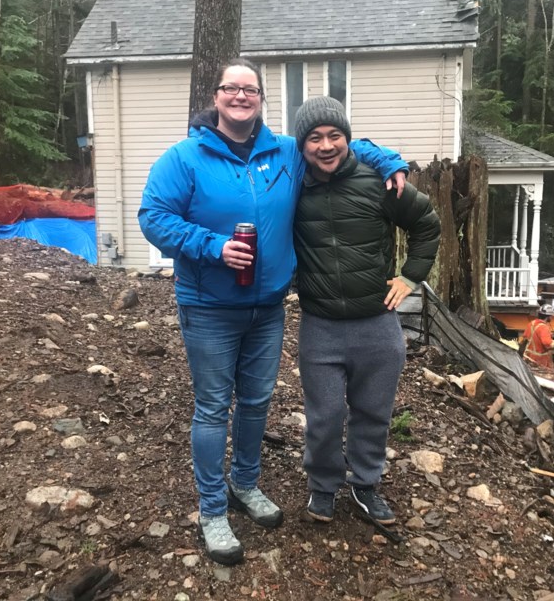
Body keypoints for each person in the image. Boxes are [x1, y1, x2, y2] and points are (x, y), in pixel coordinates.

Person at [137, 58, 409, 566]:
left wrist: (391, 160)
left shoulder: (284, 151)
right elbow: (152, 218)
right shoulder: (185, 157)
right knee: (214, 406)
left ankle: (245, 483)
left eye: (250, 90)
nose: (240, 96)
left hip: (267, 308)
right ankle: (213, 508)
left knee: (257, 402)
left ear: (261, 99)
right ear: (216, 97)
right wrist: (211, 246)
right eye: (230, 88)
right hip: (210, 306)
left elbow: (345, 145)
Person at [291, 96, 441, 527]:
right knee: (324, 416)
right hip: (320, 325)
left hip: (377, 324)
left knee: (374, 412)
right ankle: (322, 487)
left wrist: (410, 277)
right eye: (315, 138)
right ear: (302, 145)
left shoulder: (381, 182)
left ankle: (365, 485)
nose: (325, 145)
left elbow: (426, 224)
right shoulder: (292, 187)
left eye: (334, 135)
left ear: (347, 139)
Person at [520, 304, 554, 369]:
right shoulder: (544, 328)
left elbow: (524, 338)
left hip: (528, 357)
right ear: (548, 316)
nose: (551, 317)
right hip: (538, 360)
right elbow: (548, 344)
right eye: (551, 316)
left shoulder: (531, 323)